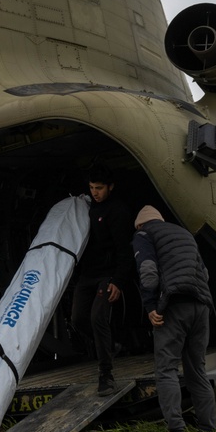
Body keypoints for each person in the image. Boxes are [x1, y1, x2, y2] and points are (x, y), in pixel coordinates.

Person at [132, 206, 216, 432]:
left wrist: (150, 307)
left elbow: (148, 271)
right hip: (201, 306)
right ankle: (208, 428)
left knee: (167, 369)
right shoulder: (184, 233)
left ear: (140, 225)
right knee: (197, 370)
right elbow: (205, 274)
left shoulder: (143, 235)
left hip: (173, 306)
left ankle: (177, 430)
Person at [70, 167, 134, 396]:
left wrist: (119, 280)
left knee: (98, 317)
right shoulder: (86, 208)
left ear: (110, 187)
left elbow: (124, 249)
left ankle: (106, 376)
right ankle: (112, 345)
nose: (95, 192)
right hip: (87, 274)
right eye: (91, 188)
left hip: (108, 274)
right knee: (78, 319)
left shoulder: (117, 211)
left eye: (99, 188)